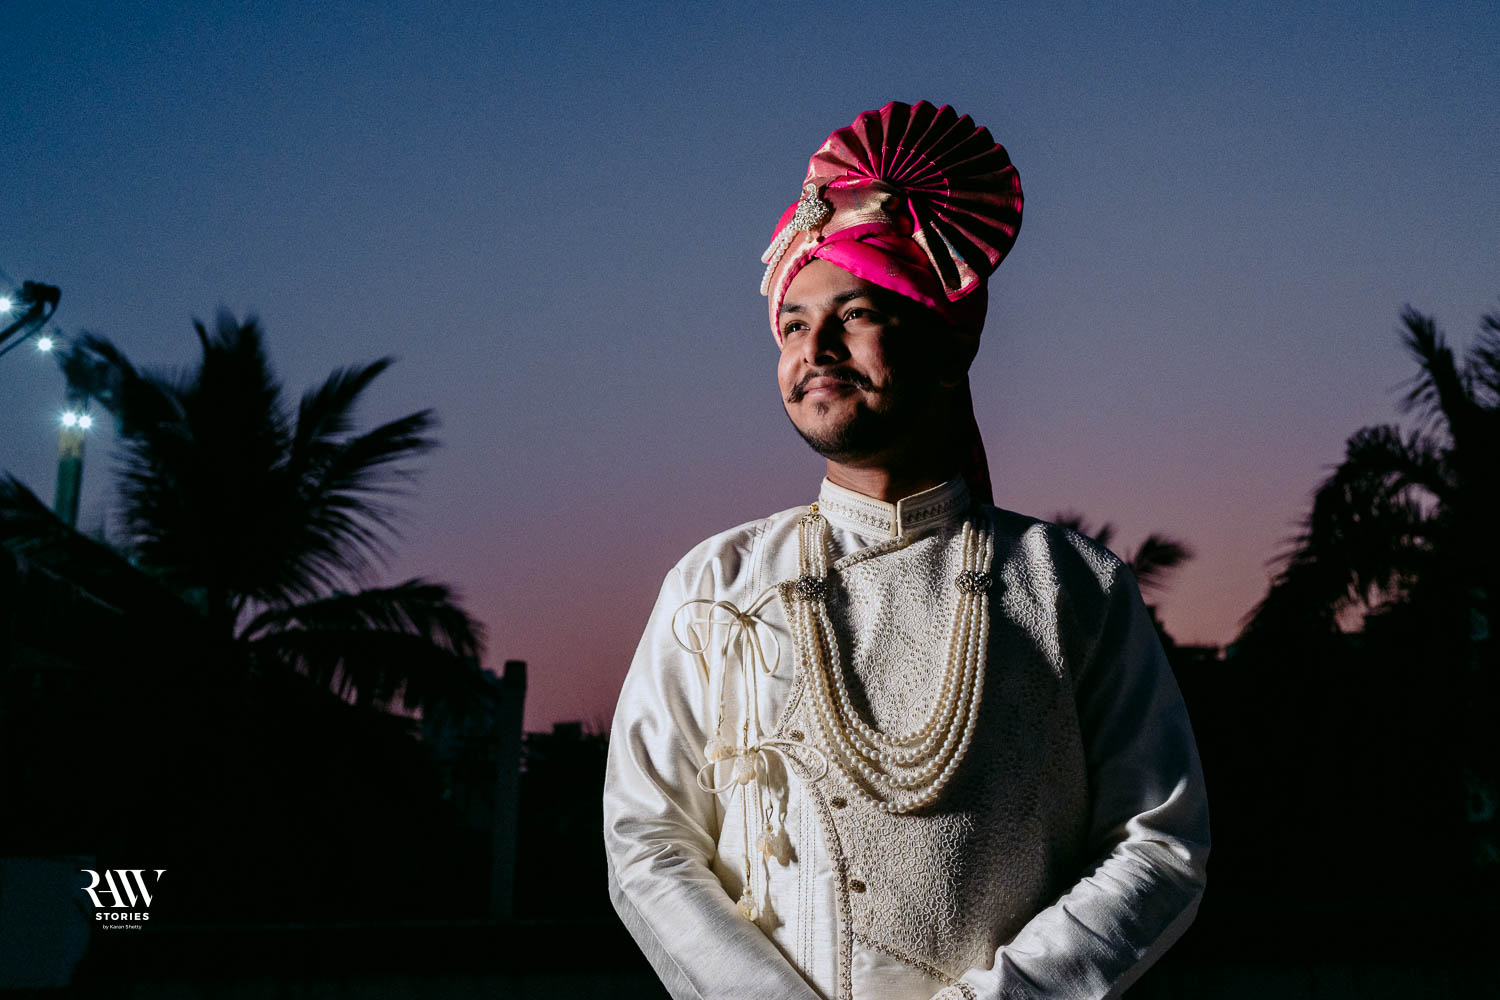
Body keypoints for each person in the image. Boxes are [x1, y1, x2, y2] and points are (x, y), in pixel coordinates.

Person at [603, 100, 1209, 1000]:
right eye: (793, 324)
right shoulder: (715, 587)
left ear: (947, 345)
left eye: (854, 313)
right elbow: (648, 843)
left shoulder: (1071, 584)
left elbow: (1156, 844)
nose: (816, 348)